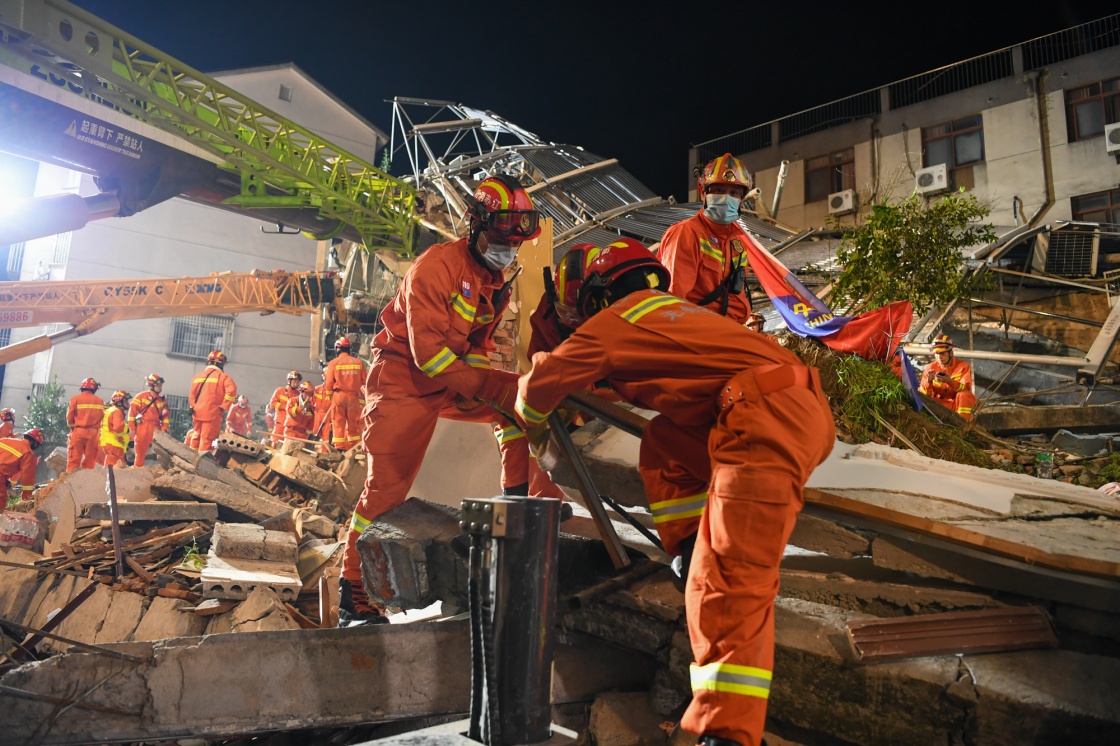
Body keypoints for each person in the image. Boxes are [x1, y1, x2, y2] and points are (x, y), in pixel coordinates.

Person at [513, 240, 834, 746]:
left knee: (726, 578)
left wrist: (531, 425)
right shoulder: (673, 314)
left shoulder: (617, 319)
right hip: (781, 406)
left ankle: (724, 732)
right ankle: (686, 545)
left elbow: (541, 385)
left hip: (763, 418)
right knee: (664, 441)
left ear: (599, 297)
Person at [338, 174, 547, 627]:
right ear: (477, 225)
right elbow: (428, 355)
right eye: (502, 239)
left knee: (522, 407)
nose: (509, 248)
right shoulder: (435, 267)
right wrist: (484, 386)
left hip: (449, 380)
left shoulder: (494, 278)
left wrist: (487, 384)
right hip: (403, 382)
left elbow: (477, 344)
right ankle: (353, 595)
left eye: (516, 242)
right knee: (387, 492)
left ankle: (522, 515)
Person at [658, 153, 756, 323]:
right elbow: (673, 302)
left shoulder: (737, 243)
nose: (726, 198)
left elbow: (735, 296)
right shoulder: (687, 233)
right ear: (703, 193)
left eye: (734, 193)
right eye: (718, 191)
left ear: (742, 200)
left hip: (728, 329)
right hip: (696, 330)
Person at [188, 350, 238, 452]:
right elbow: (232, 390)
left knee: (196, 435)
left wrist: (192, 407)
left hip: (197, 412)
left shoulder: (197, 376)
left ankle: (191, 456)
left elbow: (192, 395)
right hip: (212, 413)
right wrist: (224, 405)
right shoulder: (223, 377)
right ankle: (202, 460)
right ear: (221, 363)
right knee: (207, 439)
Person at [918, 334, 977, 420]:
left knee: (964, 395)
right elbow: (924, 396)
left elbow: (965, 389)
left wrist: (950, 381)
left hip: (956, 405)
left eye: (942, 353)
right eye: (936, 353)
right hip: (939, 406)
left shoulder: (963, 366)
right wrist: (929, 382)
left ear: (951, 353)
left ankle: (964, 423)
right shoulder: (929, 368)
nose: (939, 357)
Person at [324, 338, 365, 450]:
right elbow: (365, 381)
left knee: (338, 422)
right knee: (353, 423)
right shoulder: (358, 362)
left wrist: (330, 397)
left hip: (339, 396)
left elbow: (329, 383)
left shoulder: (333, 363)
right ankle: (354, 448)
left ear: (337, 349)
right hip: (354, 397)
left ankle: (339, 448)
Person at [128, 374, 170, 467]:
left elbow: (165, 416)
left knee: (160, 451)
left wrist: (164, 429)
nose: (160, 387)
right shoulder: (141, 396)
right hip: (143, 426)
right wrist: (132, 428)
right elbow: (132, 413)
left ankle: (160, 471)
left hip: (156, 428)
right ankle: (138, 469)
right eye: (158, 385)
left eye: (161, 385)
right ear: (151, 385)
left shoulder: (162, 400)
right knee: (140, 451)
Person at [66, 377, 104, 471]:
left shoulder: (75, 399)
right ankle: (86, 478)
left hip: (78, 432)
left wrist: (72, 427)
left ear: (82, 388)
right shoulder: (99, 401)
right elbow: (101, 417)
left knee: (74, 460)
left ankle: (70, 478)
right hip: (93, 434)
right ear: (94, 389)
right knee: (89, 461)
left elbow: (70, 417)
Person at [0, 428, 43, 510]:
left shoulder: (4, 440)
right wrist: (26, 502)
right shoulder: (28, 453)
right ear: (34, 443)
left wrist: (5, 481)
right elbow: (27, 481)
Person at [267, 371, 302, 446]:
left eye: (298, 381)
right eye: (295, 381)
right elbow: (273, 403)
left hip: (291, 425)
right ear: (289, 380)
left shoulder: (299, 394)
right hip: (280, 422)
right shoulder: (280, 391)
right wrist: (286, 407)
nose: (297, 383)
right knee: (275, 442)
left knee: (289, 445)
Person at [101, 390, 131, 467]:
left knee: (113, 466)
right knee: (115, 468)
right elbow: (118, 429)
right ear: (119, 402)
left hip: (110, 443)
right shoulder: (117, 412)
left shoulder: (111, 410)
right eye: (125, 401)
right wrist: (126, 432)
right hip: (114, 444)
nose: (128, 403)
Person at [311, 371, 333, 452]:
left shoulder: (333, 391)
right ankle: (315, 452)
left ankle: (324, 453)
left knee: (326, 436)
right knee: (316, 434)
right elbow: (312, 402)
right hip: (317, 414)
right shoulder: (317, 389)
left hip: (328, 414)